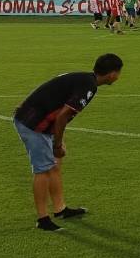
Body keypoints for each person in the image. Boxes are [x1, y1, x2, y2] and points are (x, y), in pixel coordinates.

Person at [13, 53, 123, 231]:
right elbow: (63, 115)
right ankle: (42, 219)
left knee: (54, 165)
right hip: (34, 125)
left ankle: (60, 209)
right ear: (112, 74)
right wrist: (57, 144)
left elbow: (48, 90)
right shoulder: (89, 86)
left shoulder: (84, 78)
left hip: (37, 120)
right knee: (43, 170)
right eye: (118, 73)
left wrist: (57, 140)